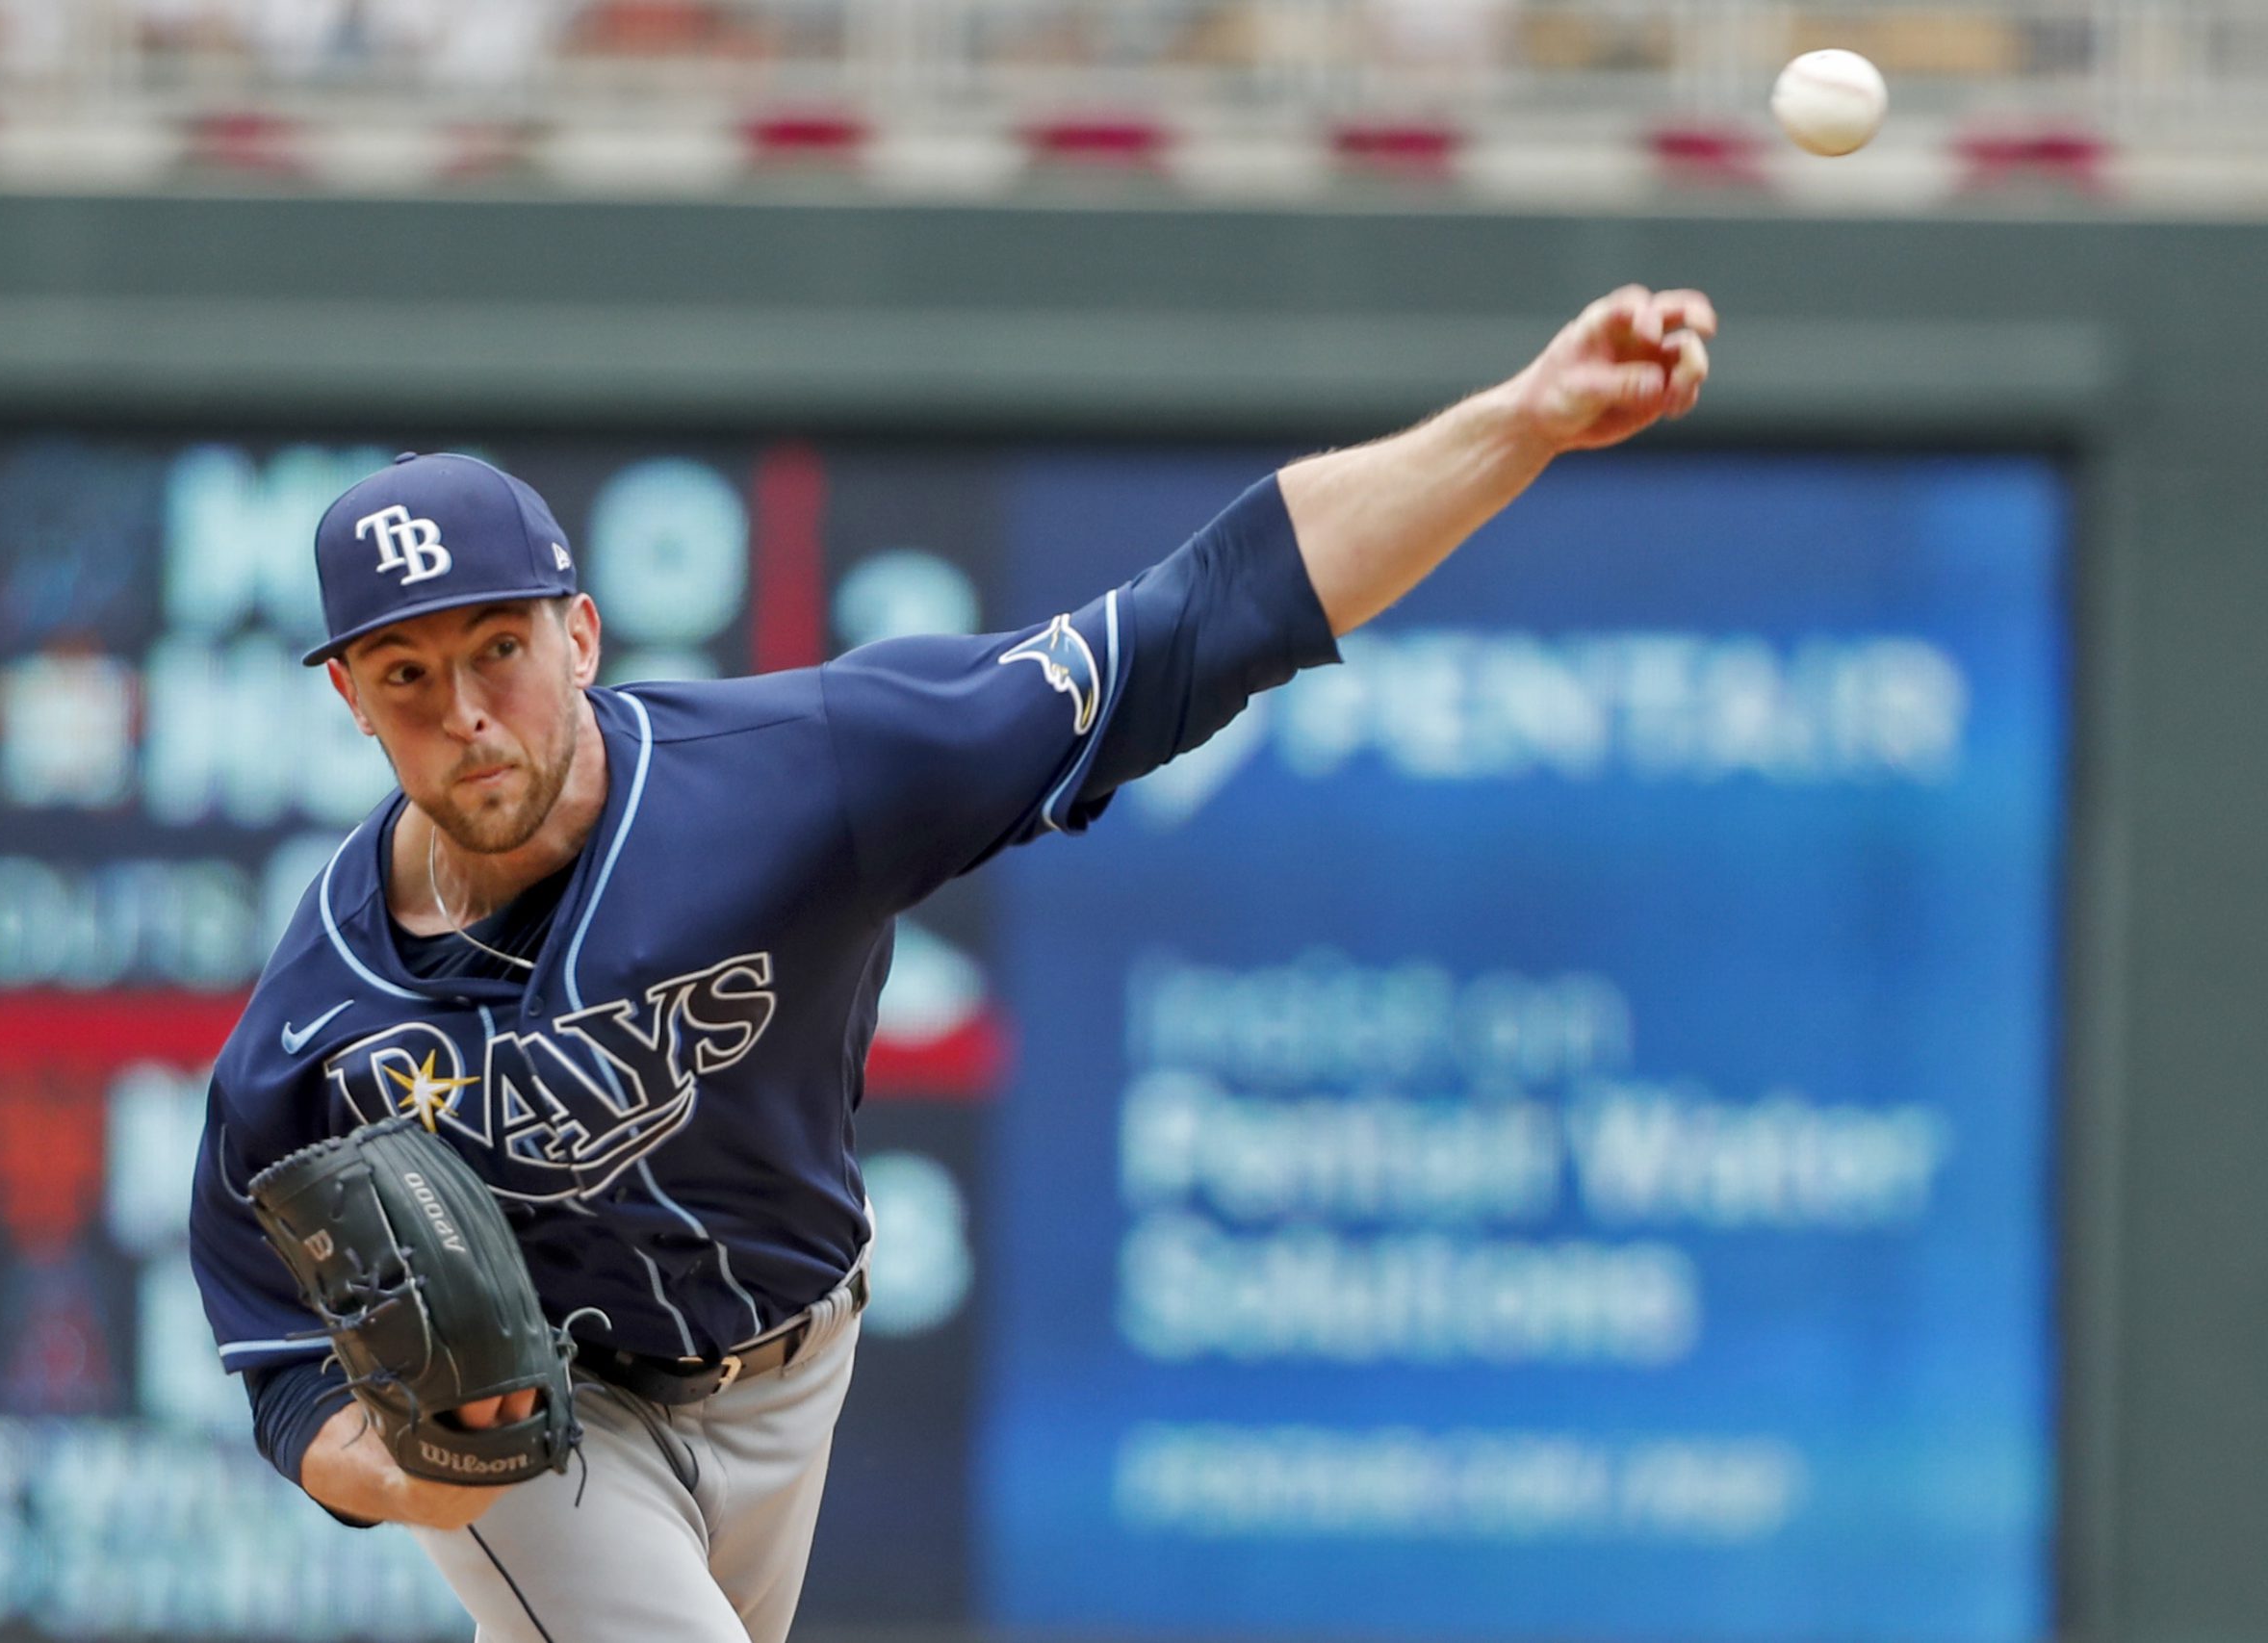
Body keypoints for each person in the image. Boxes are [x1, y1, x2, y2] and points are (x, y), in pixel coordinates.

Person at [188, 285, 1715, 1643]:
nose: (463, 710)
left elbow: (1197, 618)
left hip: (794, 1367)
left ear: (580, 632)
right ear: (351, 702)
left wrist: (1520, 424)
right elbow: (273, 1345)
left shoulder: (804, 774)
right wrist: (392, 1471)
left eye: (498, 648)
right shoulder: (319, 1017)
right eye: (406, 673)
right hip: (551, 1433)